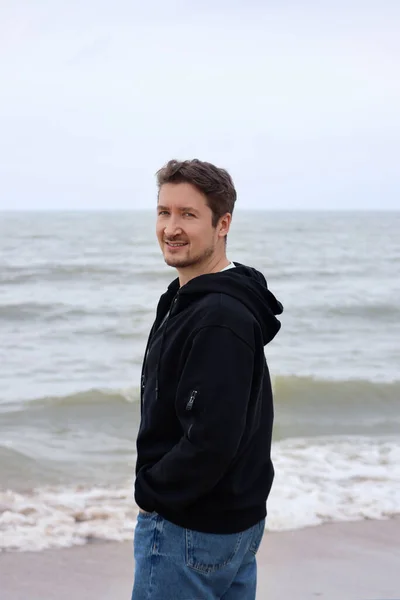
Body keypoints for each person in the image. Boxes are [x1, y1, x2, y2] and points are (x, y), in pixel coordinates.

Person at [132, 159, 283, 600]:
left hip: (190, 530)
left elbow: (212, 438)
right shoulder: (196, 299)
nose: (171, 228)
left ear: (223, 224)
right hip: (232, 523)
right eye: (164, 212)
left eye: (188, 214)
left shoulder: (218, 316)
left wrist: (152, 491)